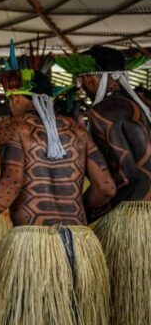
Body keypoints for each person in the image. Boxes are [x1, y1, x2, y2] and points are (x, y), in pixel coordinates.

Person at [0, 45, 115, 325]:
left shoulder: (13, 126)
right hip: (79, 242)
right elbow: (106, 187)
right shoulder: (78, 130)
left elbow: (12, 182)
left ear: (17, 97)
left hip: (31, 242)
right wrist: (77, 214)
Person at [57, 45, 151, 325]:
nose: (84, 84)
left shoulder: (102, 111)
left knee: (124, 306)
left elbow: (124, 180)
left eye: (86, 78)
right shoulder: (142, 105)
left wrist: (82, 216)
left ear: (100, 77)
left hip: (133, 218)